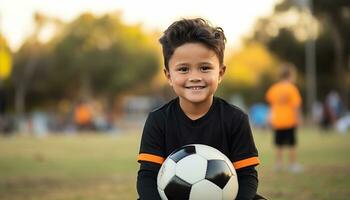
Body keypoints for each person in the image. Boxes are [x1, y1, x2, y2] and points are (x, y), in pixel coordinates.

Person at [137, 18, 263, 200]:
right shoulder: (158, 120)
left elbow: (247, 177)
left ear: (220, 73)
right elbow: (147, 177)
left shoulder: (235, 118)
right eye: (183, 69)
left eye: (204, 68)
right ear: (168, 75)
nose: (195, 77)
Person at [265, 64, 302, 173]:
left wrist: (269, 117)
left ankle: (278, 164)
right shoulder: (292, 88)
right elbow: (295, 106)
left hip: (277, 121)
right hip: (290, 120)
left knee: (278, 144)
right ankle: (292, 164)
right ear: (290, 75)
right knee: (292, 143)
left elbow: (271, 104)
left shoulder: (274, 88)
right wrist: (298, 118)